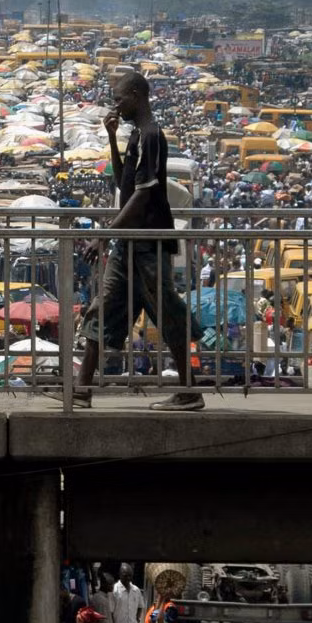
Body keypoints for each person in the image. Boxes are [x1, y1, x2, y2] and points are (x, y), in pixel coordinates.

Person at [66, 71, 205, 411]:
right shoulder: (135, 137)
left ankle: (189, 391)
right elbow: (123, 183)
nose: (116, 105)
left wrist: (104, 235)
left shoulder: (152, 136)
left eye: (120, 98)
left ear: (137, 95)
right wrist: (112, 139)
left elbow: (144, 197)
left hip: (148, 242)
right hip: (127, 244)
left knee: (168, 315)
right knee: (101, 309)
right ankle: (81, 391)